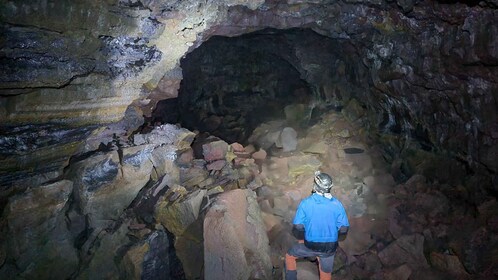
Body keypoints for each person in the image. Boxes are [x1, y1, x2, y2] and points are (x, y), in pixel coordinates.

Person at [285, 171, 350, 280]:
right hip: (330, 247)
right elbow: (344, 229)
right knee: (326, 272)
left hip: (311, 244)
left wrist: (309, 230)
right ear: (330, 187)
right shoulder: (337, 204)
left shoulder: (306, 203)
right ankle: (321, 262)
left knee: (289, 256)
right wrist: (332, 234)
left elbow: (297, 226)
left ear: (315, 186)